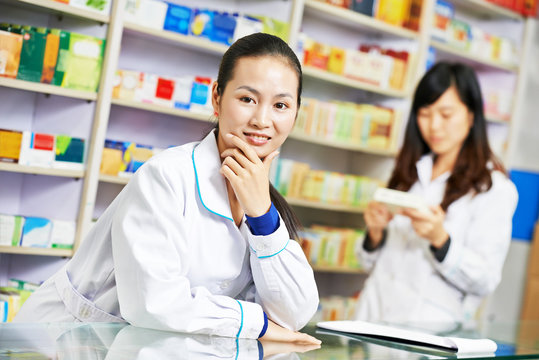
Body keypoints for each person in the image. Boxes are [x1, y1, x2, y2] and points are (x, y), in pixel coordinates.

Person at [14, 33, 320, 344]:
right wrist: (258, 324)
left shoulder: (261, 201)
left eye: (280, 105)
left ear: (296, 112)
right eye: (247, 99)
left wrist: (263, 215)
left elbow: (294, 312)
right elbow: (154, 303)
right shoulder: (166, 177)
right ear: (217, 97)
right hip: (61, 342)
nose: (262, 120)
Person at [355, 62, 518, 324]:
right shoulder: (407, 172)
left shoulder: (494, 188)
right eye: (425, 113)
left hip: (429, 334)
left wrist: (440, 239)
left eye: (446, 114)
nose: (434, 126)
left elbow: (485, 279)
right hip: (371, 319)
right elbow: (367, 263)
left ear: (471, 115)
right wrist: (374, 234)